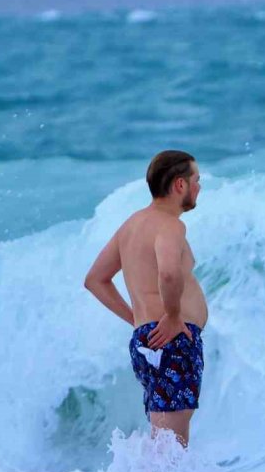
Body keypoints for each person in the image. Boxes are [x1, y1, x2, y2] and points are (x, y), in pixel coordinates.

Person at [84, 150, 207, 447]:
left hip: (148, 340)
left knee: (163, 442)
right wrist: (174, 316)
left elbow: (95, 280)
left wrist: (139, 322)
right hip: (172, 341)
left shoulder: (131, 225)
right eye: (196, 180)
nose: (199, 187)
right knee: (172, 447)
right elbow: (168, 273)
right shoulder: (170, 224)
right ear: (180, 185)